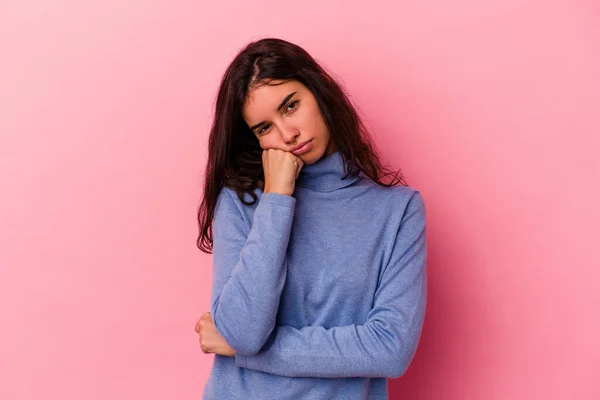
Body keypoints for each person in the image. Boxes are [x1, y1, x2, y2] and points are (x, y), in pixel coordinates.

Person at [194, 37, 427, 400]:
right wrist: (276, 198)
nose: (288, 135)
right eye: (264, 128)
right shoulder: (243, 202)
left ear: (318, 91)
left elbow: (390, 349)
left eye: (290, 106)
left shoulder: (397, 211)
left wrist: (247, 352)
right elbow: (243, 331)